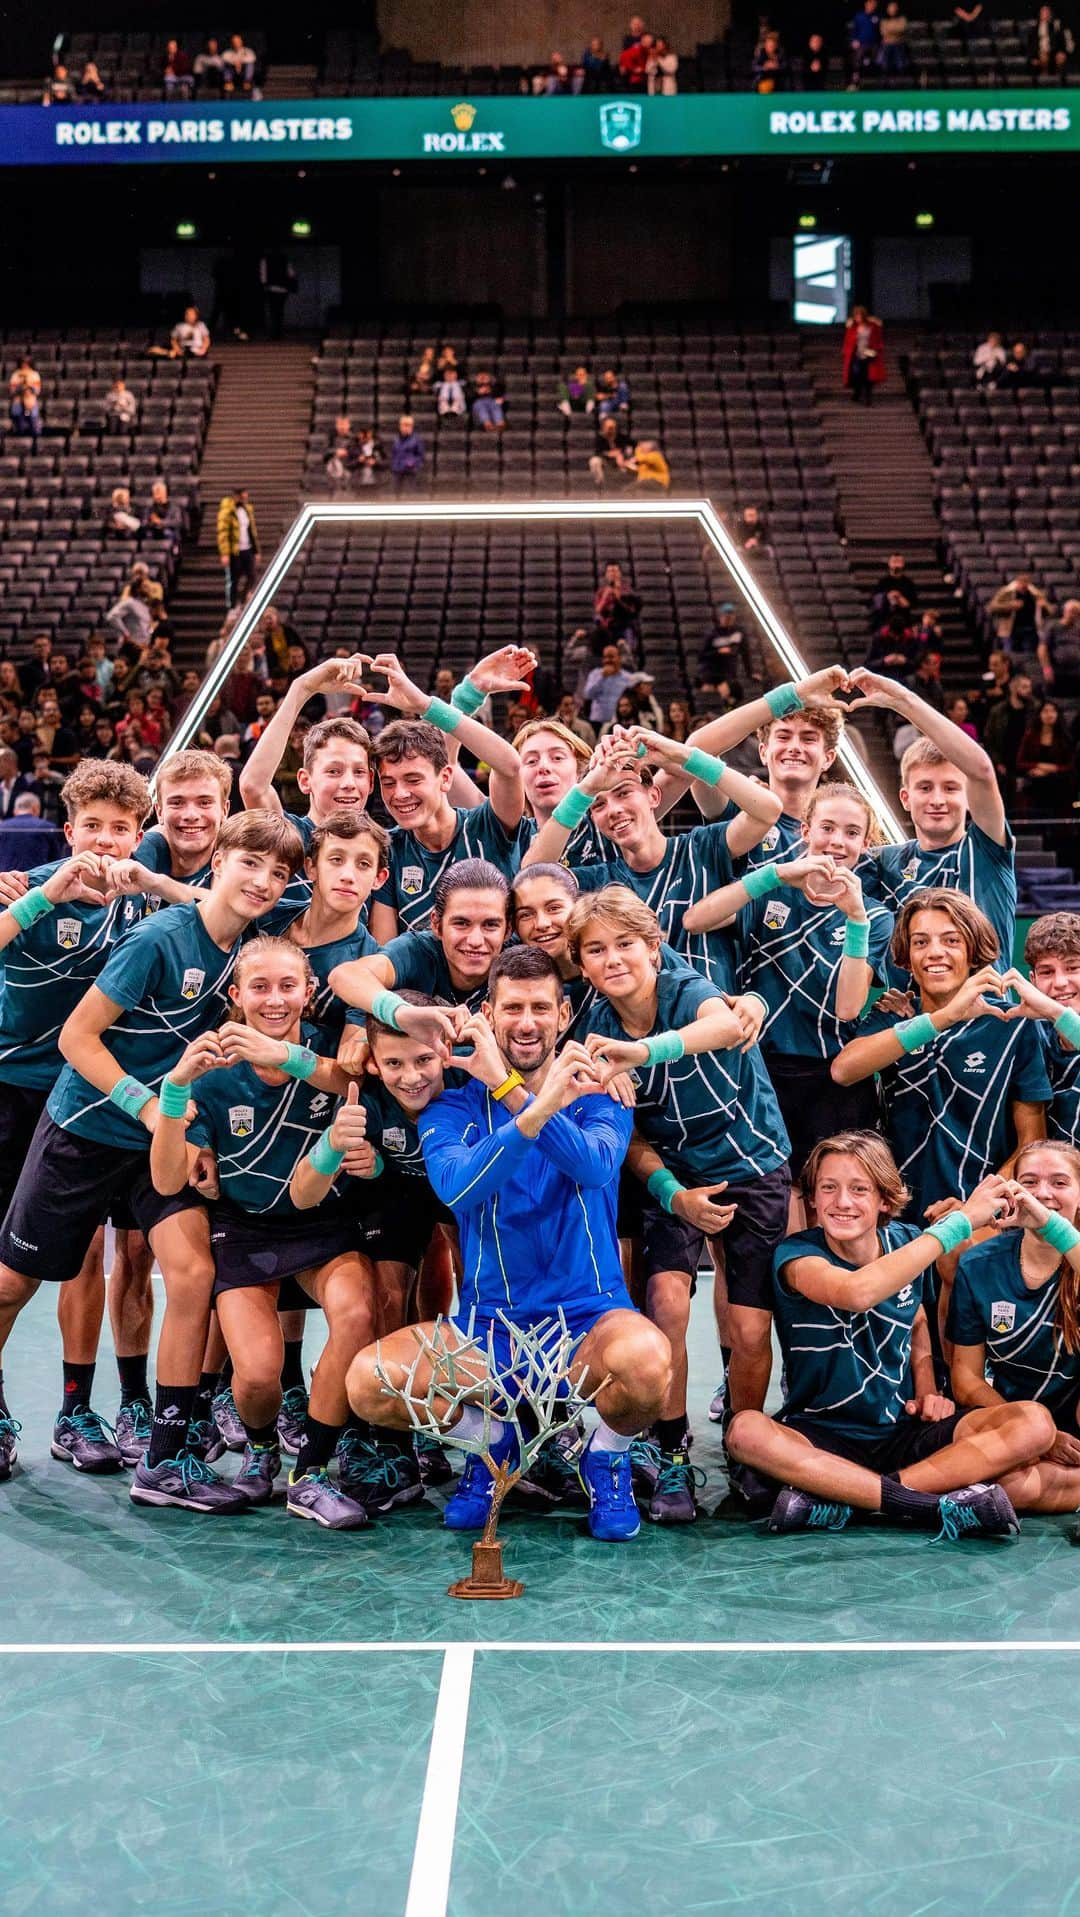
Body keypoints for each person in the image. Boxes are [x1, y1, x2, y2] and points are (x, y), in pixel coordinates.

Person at [0, 810, 304, 1509]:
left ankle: (165, 1460)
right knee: (13, 1286)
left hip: (160, 1137)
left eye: (278, 872)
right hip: (86, 1125)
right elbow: (78, 1038)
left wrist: (184, 1130)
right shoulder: (158, 938)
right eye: (249, 863)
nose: (263, 881)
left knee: (193, 1272)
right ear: (220, 859)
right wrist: (143, 1102)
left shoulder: (252, 945)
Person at [345, 946, 673, 1544]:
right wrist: (523, 1097)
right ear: (489, 1015)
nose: (526, 1022)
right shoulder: (448, 1105)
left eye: (540, 1008)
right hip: (488, 1330)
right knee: (369, 1380)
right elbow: (458, 1188)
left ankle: (604, 1454)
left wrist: (512, 1088)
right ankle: (494, 1443)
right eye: (513, 1008)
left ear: (564, 1014)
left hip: (587, 1323)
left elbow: (595, 1167)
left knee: (649, 1363)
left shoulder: (604, 1089)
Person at [148, 936, 382, 1528]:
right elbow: (169, 1175)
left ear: (310, 992)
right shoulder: (214, 1070)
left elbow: (357, 1106)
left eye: (287, 986)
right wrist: (174, 1093)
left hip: (325, 1226)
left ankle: (311, 1472)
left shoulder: (335, 1057)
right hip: (245, 1230)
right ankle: (261, 1450)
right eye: (259, 986)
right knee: (254, 1376)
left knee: (357, 1314)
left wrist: (369, 1160)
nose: (274, 999)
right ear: (235, 995)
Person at [726, 1134, 1050, 1537]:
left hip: (904, 1433)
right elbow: (857, 1292)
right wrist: (961, 1222)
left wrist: (927, 1387)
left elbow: (915, 1320)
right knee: (745, 1431)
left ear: (884, 1199)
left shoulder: (907, 1242)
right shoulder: (797, 1256)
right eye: (828, 1188)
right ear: (811, 1199)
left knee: (1034, 1423)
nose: (842, 1201)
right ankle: (925, 1506)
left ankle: (850, 1497)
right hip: (822, 1434)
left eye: (859, 1189)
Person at [572, 887, 791, 1441]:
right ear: (581, 965)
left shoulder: (686, 987)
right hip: (675, 1178)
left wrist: (643, 1052)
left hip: (752, 1164)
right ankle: (671, 1450)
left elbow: (726, 1027)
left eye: (625, 944)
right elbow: (632, 1138)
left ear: (654, 947)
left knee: (747, 1325)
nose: (613, 958)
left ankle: (746, 1441)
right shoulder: (592, 1031)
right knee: (666, 1302)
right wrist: (674, 1196)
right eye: (595, 950)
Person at [684, 783, 892, 1181]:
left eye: (851, 833)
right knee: (778, 1196)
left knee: (830, 1193)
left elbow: (847, 1008)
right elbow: (696, 920)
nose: (837, 841)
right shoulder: (772, 890)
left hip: (831, 1078)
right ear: (806, 831)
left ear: (865, 843)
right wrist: (774, 874)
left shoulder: (875, 917)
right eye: (827, 827)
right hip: (761, 1069)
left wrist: (856, 921)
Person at [832, 891, 1050, 1239]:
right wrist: (942, 1019)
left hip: (978, 1223)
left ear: (972, 950)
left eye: (951, 940)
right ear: (906, 957)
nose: (934, 952)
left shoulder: (1012, 1025)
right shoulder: (893, 1017)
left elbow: (1031, 1143)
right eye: (920, 942)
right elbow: (844, 1069)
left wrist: (977, 1207)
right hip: (895, 1221)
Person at [847, 667, 1016, 989]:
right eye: (925, 788)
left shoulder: (986, 850)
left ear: (967, 796)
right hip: (913, 1029)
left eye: (951, 788)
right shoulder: (882, 862)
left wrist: (903, 701)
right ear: (905, 798)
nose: (938, 799)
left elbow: (980, 770)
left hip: (985, 1025)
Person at [362, 655, 525, 940]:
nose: (399, 794)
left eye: (413, 780)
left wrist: (426, 705)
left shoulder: (486, 825)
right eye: (388, 782)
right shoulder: (389, 848)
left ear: (445, 778)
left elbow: (510, 766)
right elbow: (386, 952)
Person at [949, 1143, 1080, 1472]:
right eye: (1030, 1182)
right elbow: (966, 1380)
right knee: (1016, 1485)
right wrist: (1037, 1435)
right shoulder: (979, 1265)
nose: (1043, 1194)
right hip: (1011, 1426)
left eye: (1060, 1182)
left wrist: (1050, 1224)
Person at [332, 860, 510, 1046]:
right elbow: (344, 975)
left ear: (508, 930)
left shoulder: (519, 963)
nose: (475, 941)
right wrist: (401, 1014)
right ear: (436, 924)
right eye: (461, 923)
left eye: (490, 925)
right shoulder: (417, 951)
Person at [1003, 916, 1080, 1147]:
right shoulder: (1028, 1034)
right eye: (1047, 972)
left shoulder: (1049, 1012)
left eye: (1072, 968)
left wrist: (1051, 1009)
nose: (1060, 982)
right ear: (1032, 981)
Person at [1017, 701, 1075, 815]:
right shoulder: (1030, 736)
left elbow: (1071, 766)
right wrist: (1039, 766)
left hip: (1060, 784)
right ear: (1039, 715)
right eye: (1046, 711)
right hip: (1035, 783)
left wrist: (1053, 769)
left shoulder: (1065, 737)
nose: (1050, 714)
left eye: (1053, 711)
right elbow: (1020, 762)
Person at [217, 486, 259, 610]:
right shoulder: (226, 511)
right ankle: (232, 605)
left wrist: (256, 550)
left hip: (247, 548)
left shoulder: (247, 509)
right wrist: (224, 553)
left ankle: (243, 601)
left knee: (252, 576)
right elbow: (223, 533)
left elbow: (252, 531)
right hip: (235, 551)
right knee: (234, 580)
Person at [988, 573, 1052, 655]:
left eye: (1026, 582)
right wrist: (1010, 606)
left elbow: (1050, 612)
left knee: (1028, 656)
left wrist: (1044, 606)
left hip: (1030, 631)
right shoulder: (1007, 592)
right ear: (1017, 582)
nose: (1023, 585)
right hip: (1010, 631)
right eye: (1021, 582)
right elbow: (992, 608)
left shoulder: (1035, 594)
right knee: (1010, 655)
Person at [1037, 599, 1080, 698]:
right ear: (1064, 611)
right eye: (1072, 612)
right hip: (1057, 672)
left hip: (1076, 672)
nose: (1075, 615)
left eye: (1077, 613)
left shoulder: (1078, 629)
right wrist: (1047, 669)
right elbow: (1042, 649)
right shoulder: (1053, 626)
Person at [842, 306, 885, 405]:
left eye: (859, 315)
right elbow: (848, 340)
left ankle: (867, 398)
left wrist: (876, 350)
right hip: (856, 355)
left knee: (868, 377)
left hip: (868, 354)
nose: (858, 317)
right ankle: (857, 393)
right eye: (856, 315)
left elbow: (878, 337)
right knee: (857, 374)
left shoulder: (871, 326)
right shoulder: (852, 327)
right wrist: (846, 351)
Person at [583, 646, 634, 729]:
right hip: (597, 722)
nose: (607, 660)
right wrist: (602, 677)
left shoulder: (628, 678)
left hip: (619, 722)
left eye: (611, 657)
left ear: (619, 658)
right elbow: (588, 695)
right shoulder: (595, 674)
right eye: (605, 657)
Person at [1026, 5, 1074, 77]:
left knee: (1060, 57)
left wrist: (1062, 52)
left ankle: (1059, 80)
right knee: (1044, 56)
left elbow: (1061, 42)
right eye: (1043, 12)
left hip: (1053, 52)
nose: (1046, 14)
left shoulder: (1056, 27)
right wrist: (1032, 57)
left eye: (1047, 12)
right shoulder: (1034, 29)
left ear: (1051, 14)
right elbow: (1030, 45)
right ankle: (1045, 78)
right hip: (1039, 54)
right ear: (1040, 14)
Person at [390, 415, 425, 493]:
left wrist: (412, 462)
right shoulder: (396, 438)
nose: (406, 427)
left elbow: (421, 456)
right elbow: (393, 453)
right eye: (404, 425)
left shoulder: (417, 439)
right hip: (397, 471)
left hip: (410, 473)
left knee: (408, 497)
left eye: (408, 425)